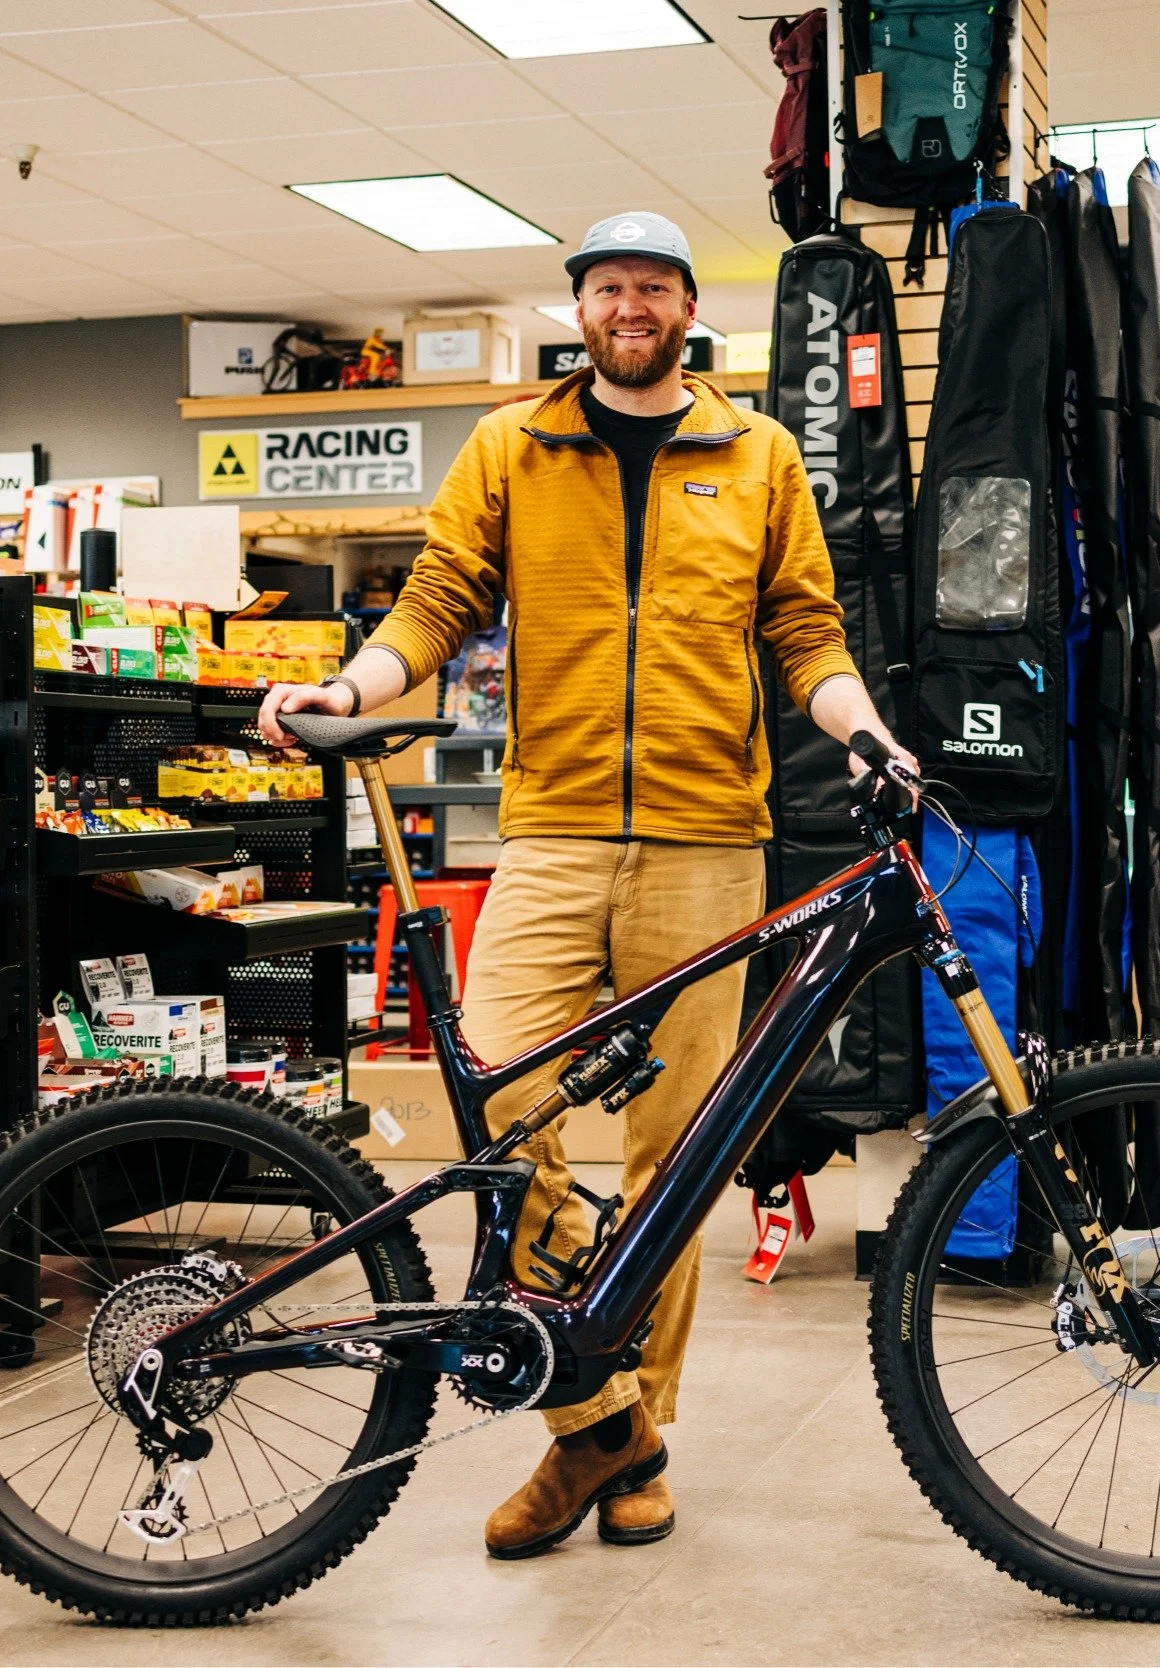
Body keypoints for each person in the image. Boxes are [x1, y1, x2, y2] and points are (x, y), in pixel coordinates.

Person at [258, 210, 917, 1561]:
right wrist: (351, 688)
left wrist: (868, 735)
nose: (631, 306)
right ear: (580, 309)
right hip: (551, 833)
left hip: (707, 839)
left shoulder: (758, 454)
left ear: (687, 308)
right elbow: (437, 600)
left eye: (653, 287)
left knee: (680, 1155)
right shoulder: (512, 444)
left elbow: (805, 632)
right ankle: (609, 1426)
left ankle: (621, 1445)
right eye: (608, 287)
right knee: (501, 1104)